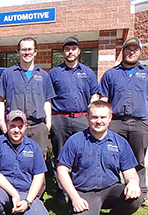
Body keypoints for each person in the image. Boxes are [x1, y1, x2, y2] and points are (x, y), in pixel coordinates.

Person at [57, 101, 143, 215]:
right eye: (95, 117)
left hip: (111, 190)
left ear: (110, 118)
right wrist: (74, 198)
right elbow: (61, 169)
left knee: (136, 196)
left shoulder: (119, 142)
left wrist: (133, 182)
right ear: (87, 117)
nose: (99, 121)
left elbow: (130, 171)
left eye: (103, 117)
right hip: (84, 193)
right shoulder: (75, 140)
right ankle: (85, 214)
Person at [100, 37, 148, 209]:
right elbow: (104, 99)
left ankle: (141, 195)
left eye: (135, 49)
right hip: (116, 123)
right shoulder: (111, 74)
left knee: (138, 160)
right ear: (123, 51)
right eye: (128, 49)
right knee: (111, 158)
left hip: (139, 124)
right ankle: (113, 192)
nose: (131, 52)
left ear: (140, 52)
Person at [0, 110, 53, 215]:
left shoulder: (33, 147)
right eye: (13, 126)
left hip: (25, 192)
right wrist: (14, 194)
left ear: (25, 127)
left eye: (20, 126)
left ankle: (19, 212)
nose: (16, 130)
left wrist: (28, 201)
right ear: (7, 125)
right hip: (0, 189)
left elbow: (39, 176)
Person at [48, 36, 101, 203]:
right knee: (60, 156)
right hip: (60, 120)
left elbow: (95, 94)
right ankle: (61, 190)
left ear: (79, 51)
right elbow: (48, 99)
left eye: (73, 48)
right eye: (67, 49)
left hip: (81, 119)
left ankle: (81, 188)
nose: (70, 51)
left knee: (83, 154)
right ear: (63, 52)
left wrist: (90, 115)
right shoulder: (54, 73)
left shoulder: (88, 73)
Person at [0, 37, 56, 159]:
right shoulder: (8, 74)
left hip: (38, 127)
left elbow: (47, 101)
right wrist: (2, 123)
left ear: (35, 52)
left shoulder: (43, 75)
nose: (27, 52)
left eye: (29, 49)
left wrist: (48, 125)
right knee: (14, 160)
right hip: (15, 126)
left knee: (38, 162)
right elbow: (0, 100)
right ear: (18, 52)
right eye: (23, 50)